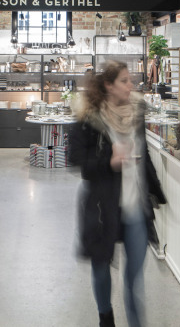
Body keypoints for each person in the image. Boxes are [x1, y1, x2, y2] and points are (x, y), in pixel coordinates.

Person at [69, 61, 166, 327]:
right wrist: (108, 162)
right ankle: (106, 318)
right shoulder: (89, 118)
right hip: (102, 208)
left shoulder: (136, 112)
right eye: (124, 81)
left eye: (130, 80)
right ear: (108, 85)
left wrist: (157, 191)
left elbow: (144, 156)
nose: (130, 85)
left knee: (134, 278)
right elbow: (77, 160)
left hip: (135, 208)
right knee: (101, 268)